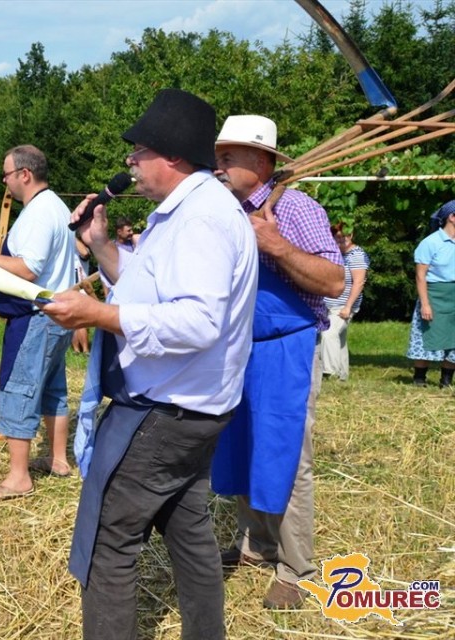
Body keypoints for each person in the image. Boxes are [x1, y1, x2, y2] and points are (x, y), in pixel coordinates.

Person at [41, 89, 258, 639]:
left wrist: (97, 313)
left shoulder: (202, 219)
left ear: (174, 156)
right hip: (192, 408)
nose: (130, 162)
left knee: (108, 541)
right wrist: (102, 246)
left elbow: (198, 322)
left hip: (167, 411)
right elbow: (152, 288)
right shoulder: (188, 211)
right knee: (190, 534)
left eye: (139, 151)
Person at [210, 114, 344, 609]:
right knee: (242, 445)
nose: (218, 164)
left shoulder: (294, 208)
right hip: (237, 346)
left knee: (285, 454)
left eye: (229, 155)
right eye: (218, 155)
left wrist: (277, 245)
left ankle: (295, 567)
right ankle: (256, 545)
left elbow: (334, 281)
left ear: (262, 161)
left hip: (286, 346)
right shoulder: (224, 209)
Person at [0, 145, 77, 500]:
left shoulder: (40, 212)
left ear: (25, 174)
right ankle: (58, 460)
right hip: (54, 314)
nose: (4, 182)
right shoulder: (54, 206)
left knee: (18, 388)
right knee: (52, 388)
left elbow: (28, 268)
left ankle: (18, 477)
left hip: (36, 315)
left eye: (7, 174)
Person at [407, 200, 455, 388]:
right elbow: (420, 276)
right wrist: (425, 304)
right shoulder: (430, 243)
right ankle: (419, 379)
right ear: (452, 217)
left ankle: (446, 380)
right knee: (425, 335)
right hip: (434, 294)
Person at [321, 223, 370, 381]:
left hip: (343, 305)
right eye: (338, 237)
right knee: (339, 338)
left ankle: (330, 372)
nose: (342, 239)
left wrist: (348, 307)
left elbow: (359, 282)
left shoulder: (356, 255)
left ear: (352, 235)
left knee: (329, 334)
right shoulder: (335, 253)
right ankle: (342, 376)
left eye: (345, 236)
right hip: (329, 304)